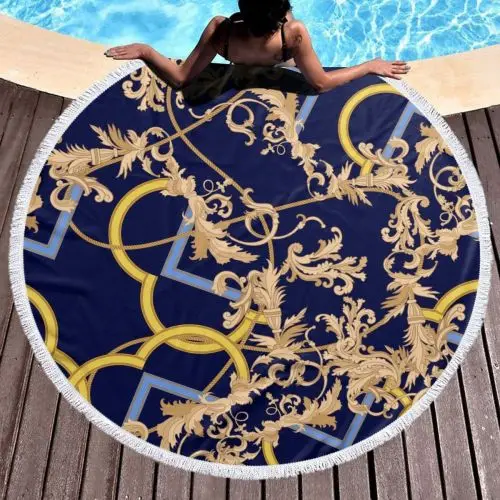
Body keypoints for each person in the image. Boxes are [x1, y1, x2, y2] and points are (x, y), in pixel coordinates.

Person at [105, 0, 410, 93]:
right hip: (280, 59)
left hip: (240, 56)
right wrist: (369, 66)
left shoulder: (220, 30)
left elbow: (180, 78)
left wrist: (146, 51)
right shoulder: (293, 33)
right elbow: (321, 83)